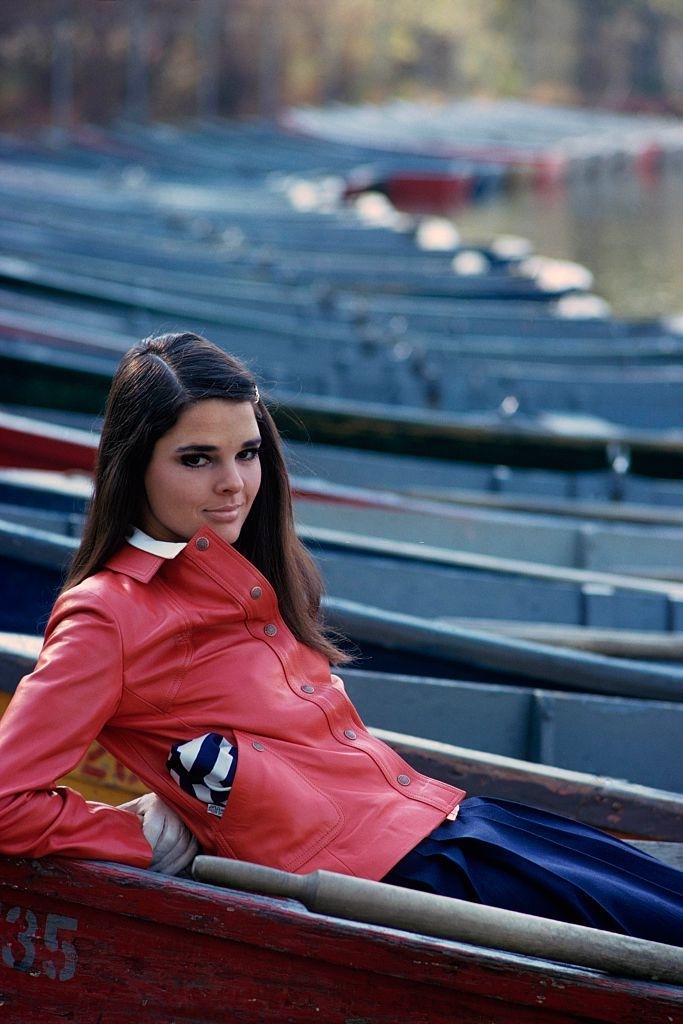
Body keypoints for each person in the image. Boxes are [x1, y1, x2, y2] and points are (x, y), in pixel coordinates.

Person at [0, 331, 681, 946]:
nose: (233, 483)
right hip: (395, 885)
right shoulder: (108, 616)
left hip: (442, 822)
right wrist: (138, 835)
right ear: (134, 464)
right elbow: (8, 802)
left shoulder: (244, 572)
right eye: (197, 459)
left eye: (247, 453)